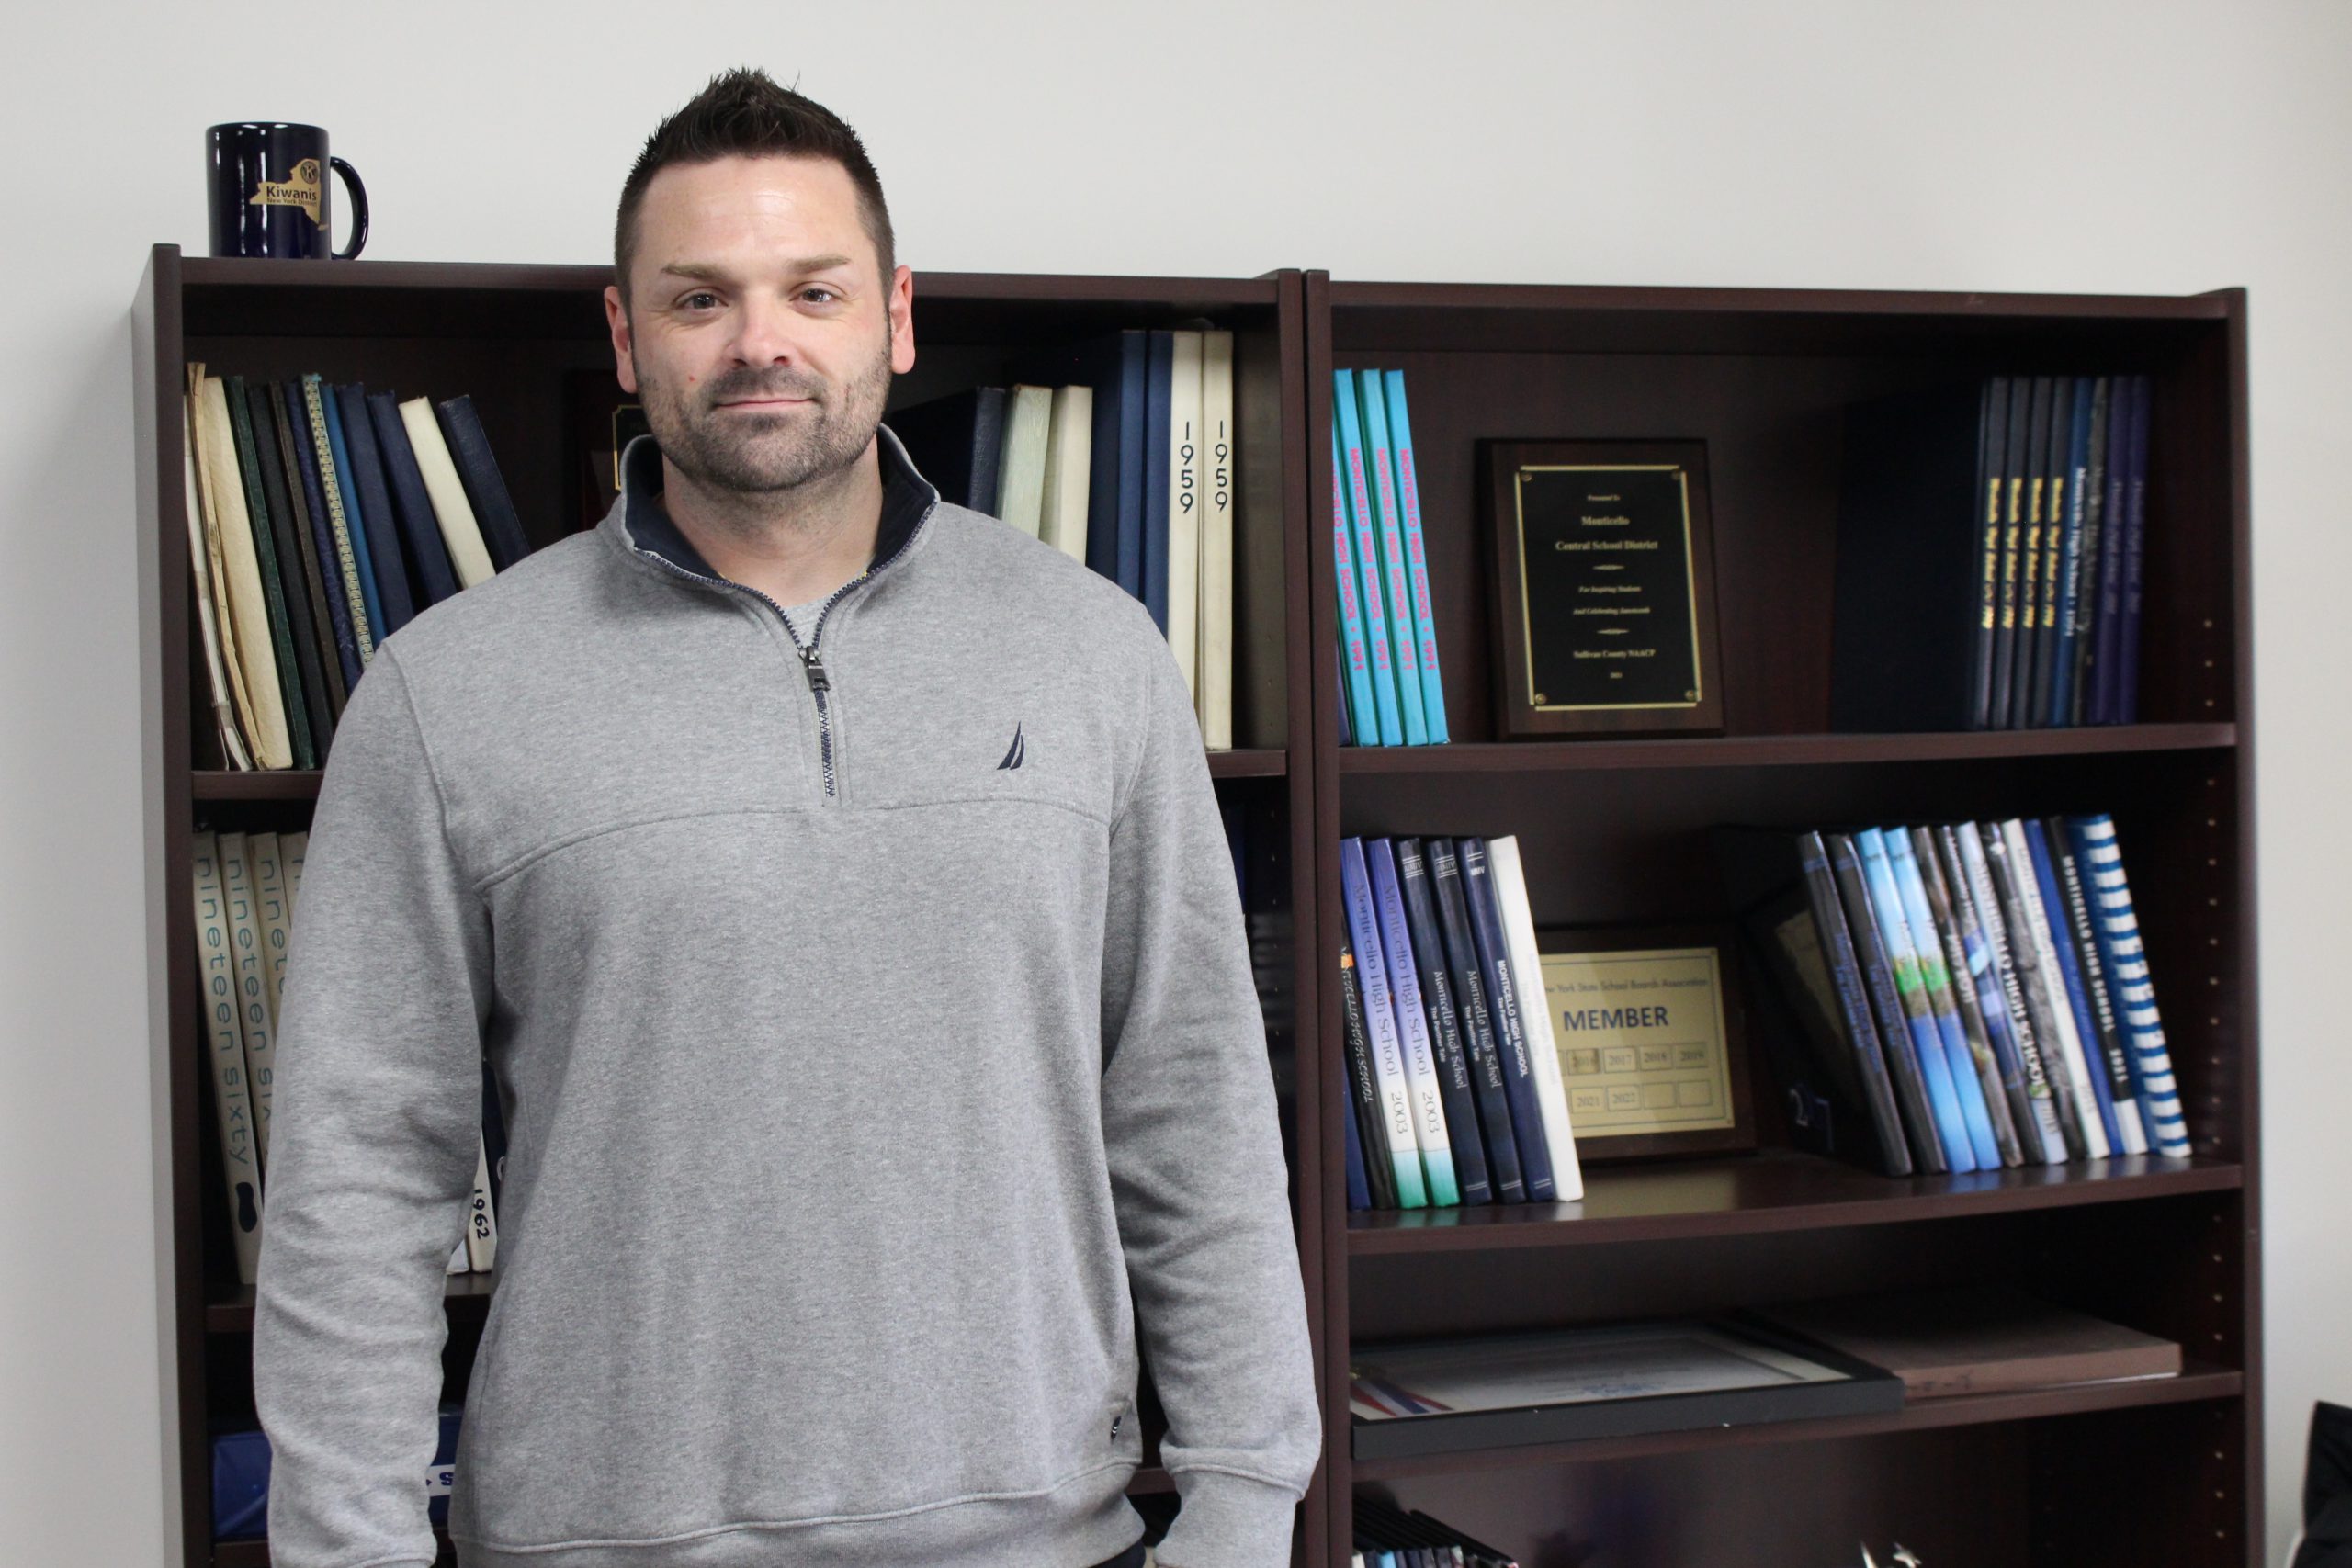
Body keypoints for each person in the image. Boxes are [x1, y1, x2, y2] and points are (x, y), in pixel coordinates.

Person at [252, 67, 1319, 1568]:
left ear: (893, 315)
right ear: (627, 338)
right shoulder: (447, 693)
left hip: (1045, 1538)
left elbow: (1192, 1106)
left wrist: (1245, 1503)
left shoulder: (1095, 653)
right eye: (700, 300)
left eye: (811, 290)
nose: (761, 342)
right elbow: (360, 1177)